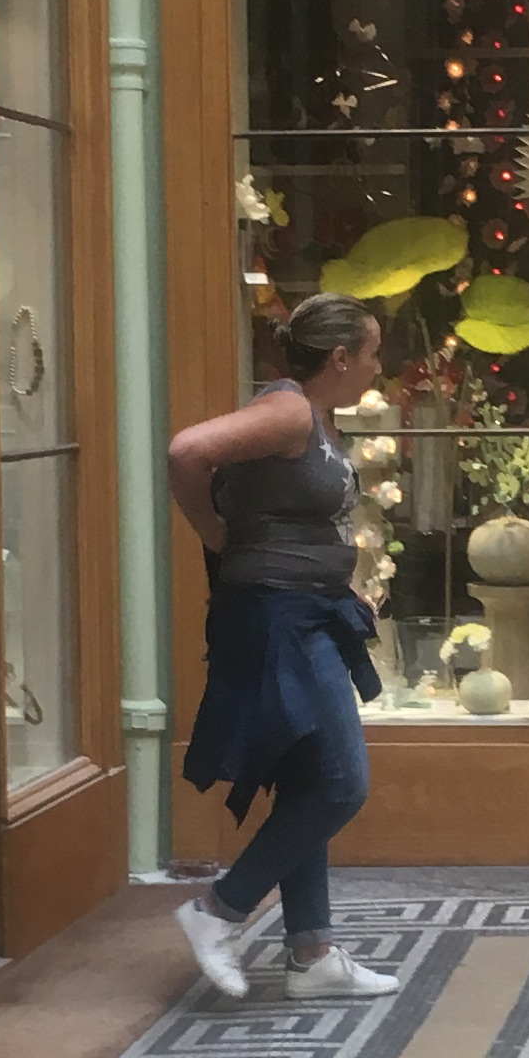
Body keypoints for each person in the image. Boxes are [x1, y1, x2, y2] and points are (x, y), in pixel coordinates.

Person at [168, 292, 401, 1006]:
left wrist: (340, 585)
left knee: (306, 778)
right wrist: (215, 534)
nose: (379, 367)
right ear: (340, 358)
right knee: (339, 784)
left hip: (306, 610)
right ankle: (219, 909)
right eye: (372, 354)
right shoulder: (289, 411)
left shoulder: (314, 418)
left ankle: (312, 953)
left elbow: (293, 517)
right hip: (278, 620)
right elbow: (187, 451)